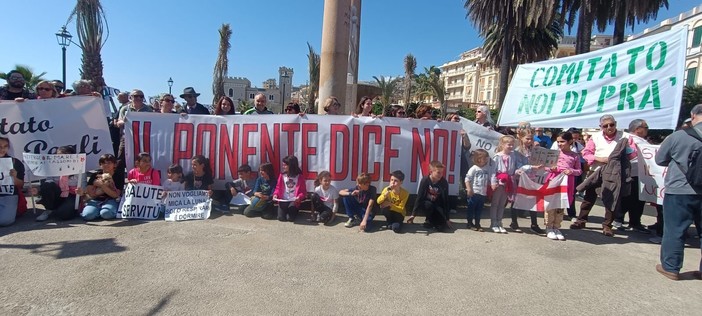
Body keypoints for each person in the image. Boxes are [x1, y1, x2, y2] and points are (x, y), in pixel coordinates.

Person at [654, 104, 702, 281]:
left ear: (693, 115)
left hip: (680, 190)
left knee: (675, 229)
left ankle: (671, 268)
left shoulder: (679, 136)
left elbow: (660, 159)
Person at [570, 115, 629, 237]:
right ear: (600, 127)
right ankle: (581, 220)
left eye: (611, 124)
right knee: (589, 197)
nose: (609, 127)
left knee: (612, 198)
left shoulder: (625, 137)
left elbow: (632, 154)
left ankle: (607, 225)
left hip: (614, 173)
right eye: (605, 125)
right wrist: (599, 158)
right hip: (596, 170)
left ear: (615, 124)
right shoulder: (595, 137)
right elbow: (586, 153)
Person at [614, 119, 652, 233]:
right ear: (637, 129)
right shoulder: (628, 139)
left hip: (642, 175)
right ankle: (618, 219)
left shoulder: (643, 141)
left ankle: (635, 222)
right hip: (631, 174)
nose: (647, 129)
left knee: (639, 200)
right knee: (627, 197)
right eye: (645, 127)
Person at [544, 132, 582, 241]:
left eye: (562, 141)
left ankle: (557, 227)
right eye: (558, 141)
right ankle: (549, 227)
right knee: (551, 205)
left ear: (570, 141)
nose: (560, 144)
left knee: (561, 205)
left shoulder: (575, 156)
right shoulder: (554, 153)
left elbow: (579, 171)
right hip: (553, 180)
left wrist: (571, 171)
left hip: (566, 182)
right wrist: (552, 168)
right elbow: (546, 167)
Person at [490, 135, 531, 234]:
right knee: (495, 203)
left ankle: (500, 222)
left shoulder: (513, 155)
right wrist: (493, 182)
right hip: (500, 181)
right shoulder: (497, 156)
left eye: (512, 145)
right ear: (503, 145)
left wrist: (518, 172)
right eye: (509, 145)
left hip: (509, 181)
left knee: (502, 203)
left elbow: (515, 168)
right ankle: (493, 223)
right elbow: (492, 171)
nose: (511, 147)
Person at [512, 128, 545, 234]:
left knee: (533, 200)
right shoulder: (517, 151)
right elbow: (518, 167)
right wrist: (532, 167)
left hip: (532, 178)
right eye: (527, 139)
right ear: (521, 138)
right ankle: (514, 222)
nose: (530, 141)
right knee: (516, 200)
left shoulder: (533, 150)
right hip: (520, 178)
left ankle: (534, 224)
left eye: (531, 139)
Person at [35, 146, 80, 222]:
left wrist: (82, 191)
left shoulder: (79, 168)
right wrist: (38, 191)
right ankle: (49, 209)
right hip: (58, 192)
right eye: (59, 156)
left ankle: (64, 208)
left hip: (72, 194)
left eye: (66, 156)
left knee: (64, 215)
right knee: (47, 185)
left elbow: (83, 185)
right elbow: (49, 181)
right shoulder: (52, 167)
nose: (62, 158)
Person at [78, 154, 124, 221]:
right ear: (100, 165)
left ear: (114, 164)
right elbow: (91, 194)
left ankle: (102, 211)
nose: (106, 165)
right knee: (87, 215)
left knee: (106, 214)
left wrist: (102, 185)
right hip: (96, 200)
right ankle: (96, 212)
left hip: (111, 200)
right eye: (103, 163)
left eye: (109, 163)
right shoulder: (95, 175)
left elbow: (115, 195)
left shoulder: (118, 176)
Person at [408, 160, 452, 232]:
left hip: (437, 205)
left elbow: (446, 200)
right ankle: (428, 220)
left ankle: (434, 221)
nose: (440, 175)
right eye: (438, 172)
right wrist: (413, 214)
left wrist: (447, 218)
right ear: (431, 172)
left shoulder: (444, 182)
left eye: (442, 173)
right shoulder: (425, 180)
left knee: (442, 227)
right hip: (427, 204)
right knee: (429, 205)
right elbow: (419, 197)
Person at [115, 90, 153, 164]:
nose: (139, 98)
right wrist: (125, 121)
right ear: (130, 97)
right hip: (127, 137)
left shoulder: (148, 110)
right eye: (136, 96)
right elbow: (118, 123)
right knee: (120, 159)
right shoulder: (125, 109)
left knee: (142, 158)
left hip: (142, 138)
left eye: (141, 96)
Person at [273, 155, 307, 222]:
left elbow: (303, 191)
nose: (283, 167)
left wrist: (299, 197)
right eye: (283, 165)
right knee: (281, 218)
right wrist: (275, 194)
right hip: (283, 200)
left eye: (285, 165)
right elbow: (278, 187)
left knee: (290, 218)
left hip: (293, 201)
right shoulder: (282, 175)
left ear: (291, 166)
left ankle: (294, 211)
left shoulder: (299, 177)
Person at [465, 149, 492, 232]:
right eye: (484, 158)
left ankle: (477, 223)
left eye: (487, 158)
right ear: (478, 159)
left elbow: (487, 181)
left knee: (479, 210)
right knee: (471, 208)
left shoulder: (486, 169)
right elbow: (467, 179)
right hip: (474, 192)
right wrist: (469, 189)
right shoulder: (474, 168)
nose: (486, 160)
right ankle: (469, 223)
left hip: (482, 193)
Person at [0, 137, 25, 226]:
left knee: (5, 221)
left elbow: (21, 184)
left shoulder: (15, 162)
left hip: (8, 196)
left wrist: (14, 178)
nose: (2, 149)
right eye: (0, 146)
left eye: (5, 146)